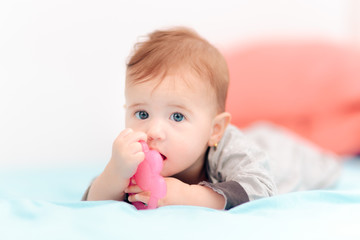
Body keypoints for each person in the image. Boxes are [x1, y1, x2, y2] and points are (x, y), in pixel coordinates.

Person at [82, 27, 340, 210]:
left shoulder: (229, 149)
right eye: (142, 114)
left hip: (281, 155)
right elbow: (91, 202)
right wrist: (115, 173)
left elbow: (261, 189)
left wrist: (188, 194)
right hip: (254, 141)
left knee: (322, 164)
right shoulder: (135, 155)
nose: (154, 131)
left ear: (214, 129)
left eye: (177, 116)